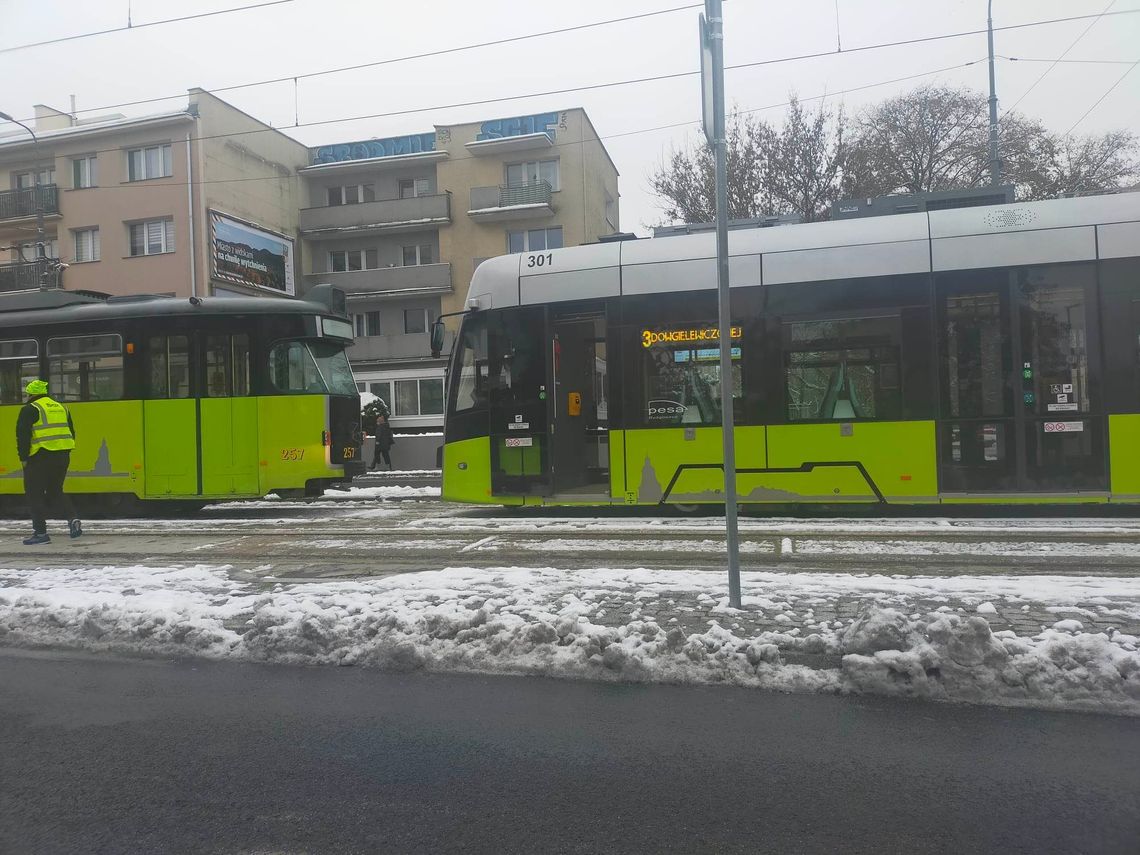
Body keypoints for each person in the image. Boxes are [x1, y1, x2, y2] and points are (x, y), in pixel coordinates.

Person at [17, 379, 82, 545]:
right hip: (62, 456)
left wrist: (23, 458)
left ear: (31, 394)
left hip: (40, 456)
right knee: (55, 490)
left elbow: (23, 436)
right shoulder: (61, 407)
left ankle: (41, 534)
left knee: (34, 494)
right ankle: (72, 518)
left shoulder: (30, 409)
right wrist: (63, 450)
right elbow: (71, 432)